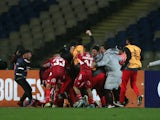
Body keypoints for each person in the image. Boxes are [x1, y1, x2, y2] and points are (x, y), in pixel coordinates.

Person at [95, 40, 124, 108]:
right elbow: (121, 59)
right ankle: (118, 102)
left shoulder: (107, 55)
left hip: (113, 73)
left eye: (101, 48)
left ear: (104, 48)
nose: (100, 50)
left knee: (107, 88)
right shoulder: (113, 54)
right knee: (115, 88)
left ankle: (110, 104)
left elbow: (103, 63)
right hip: (118, 72)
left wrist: (95, 64)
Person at [120, 37, 143, 106]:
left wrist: (123, 67)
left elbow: (128, 58)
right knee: (133, 84)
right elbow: (142, 57)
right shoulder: (137, 48)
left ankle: (121, 101)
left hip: (128, 67)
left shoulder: (126, 47)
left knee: (123, 85)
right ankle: (138, 95)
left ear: (128, 41)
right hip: (135, 68)